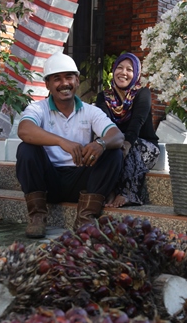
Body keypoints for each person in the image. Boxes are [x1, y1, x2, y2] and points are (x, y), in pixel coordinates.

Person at [16, 52, 124, 238]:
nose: (64, 83)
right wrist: (61, 141)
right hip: (49, 182)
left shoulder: (91, 111)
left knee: (113, 153)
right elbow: (24, 130)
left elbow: (118, 136)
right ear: (47, 84)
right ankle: (37, 217)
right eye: (57, 79)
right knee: (26, 149)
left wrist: (101, 143)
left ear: (77, 80)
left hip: (81, 182)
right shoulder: (38, 108)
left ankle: (85, 219)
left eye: (69, 77)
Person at [95, 53, 159, 208]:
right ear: (114, 70)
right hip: (117, 145)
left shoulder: (142, 93)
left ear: (136, 73)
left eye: (129, 69)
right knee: (99, 144)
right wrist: (114, 143)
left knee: (131, 145)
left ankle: (128, 193)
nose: (123, 72)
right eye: (120, 68)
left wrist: (126, 143)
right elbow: (104, 124)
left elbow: (138, 121)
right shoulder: (103, 97)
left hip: (144, 148)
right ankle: (107, 191)